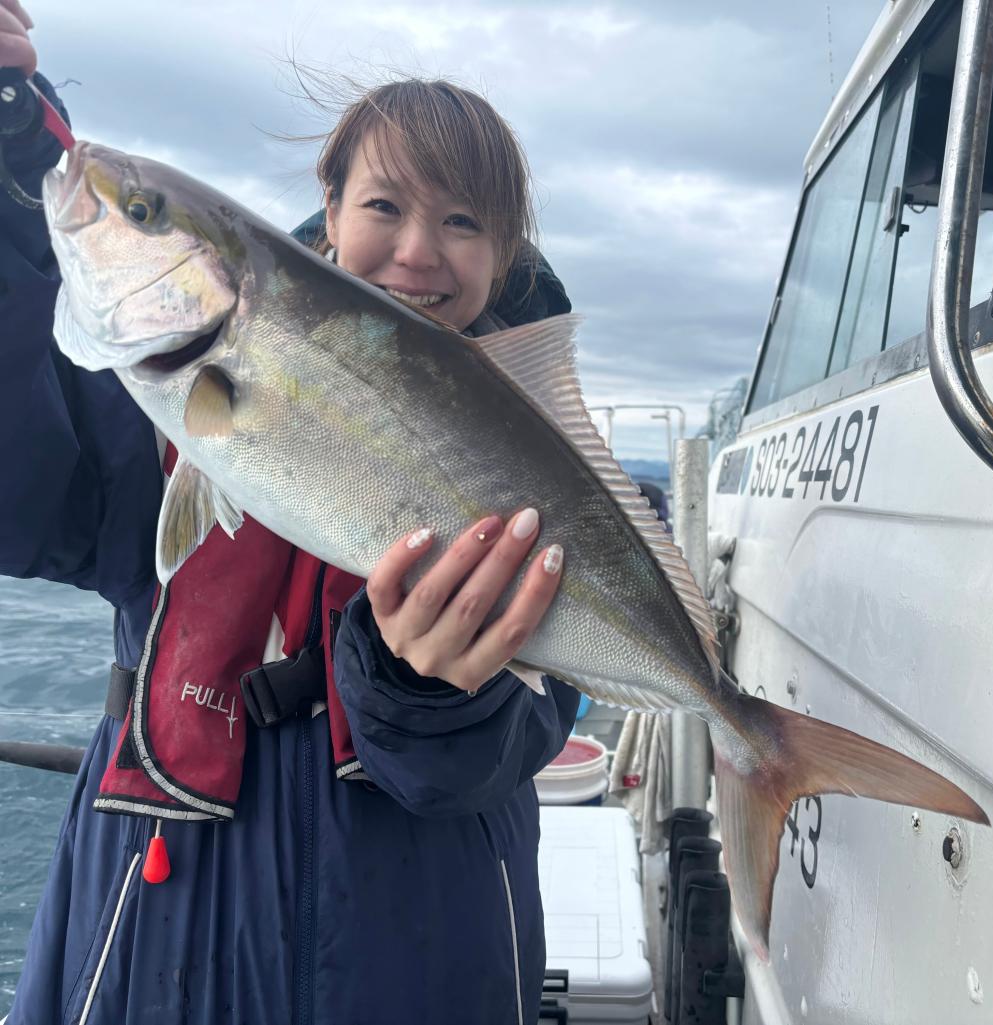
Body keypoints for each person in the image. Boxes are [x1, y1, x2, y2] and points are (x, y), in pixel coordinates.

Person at [0, 2, 580, 1022]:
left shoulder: (550, 479)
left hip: (423, 938)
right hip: (160, 924)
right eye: (386, 205)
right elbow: (23, 441)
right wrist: (11, 134)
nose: (417, 252)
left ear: (506, 248)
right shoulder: (164, 406)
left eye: (462, 221)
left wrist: (427, 688)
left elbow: (507, 740)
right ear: (329, 203)